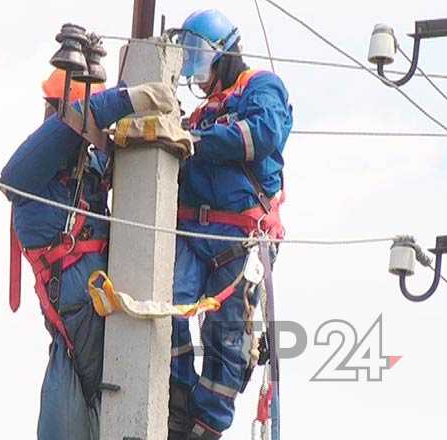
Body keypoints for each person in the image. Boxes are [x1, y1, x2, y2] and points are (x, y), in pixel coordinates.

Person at [0, 69, 176, 440]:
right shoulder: (34, 181)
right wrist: (125, 100)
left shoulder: (86, 169)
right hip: (78, 335)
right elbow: (14, 174)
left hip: (100, 330)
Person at [168, 9, 293, 440]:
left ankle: (206, 426)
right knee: (165, 308)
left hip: (241, 237)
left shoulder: (260, 87)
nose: (197, 75)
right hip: (193, 235)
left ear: (223, 53)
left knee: (226, 342)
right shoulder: (200, 115)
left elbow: (261, 135)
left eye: (198, 60)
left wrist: (194, 142)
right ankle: (178, 400)